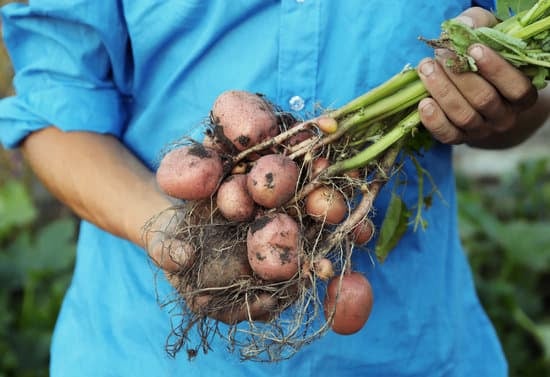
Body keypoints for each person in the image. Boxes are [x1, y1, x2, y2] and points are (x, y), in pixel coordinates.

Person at [0, 1, 548, 376]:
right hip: (140, 350)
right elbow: (55, 104)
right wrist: (172, 234)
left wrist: (501, 105)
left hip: (405, 349)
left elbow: (523, 98)